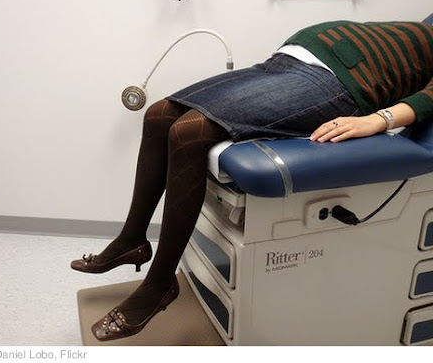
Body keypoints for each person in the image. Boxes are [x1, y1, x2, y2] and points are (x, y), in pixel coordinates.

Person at [71, 20, 433, 341]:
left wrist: (379, 119)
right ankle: (132, 239)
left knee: (189, 133)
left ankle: (159, 283)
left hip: (339, 83)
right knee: (158, 115)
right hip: (292, 57)